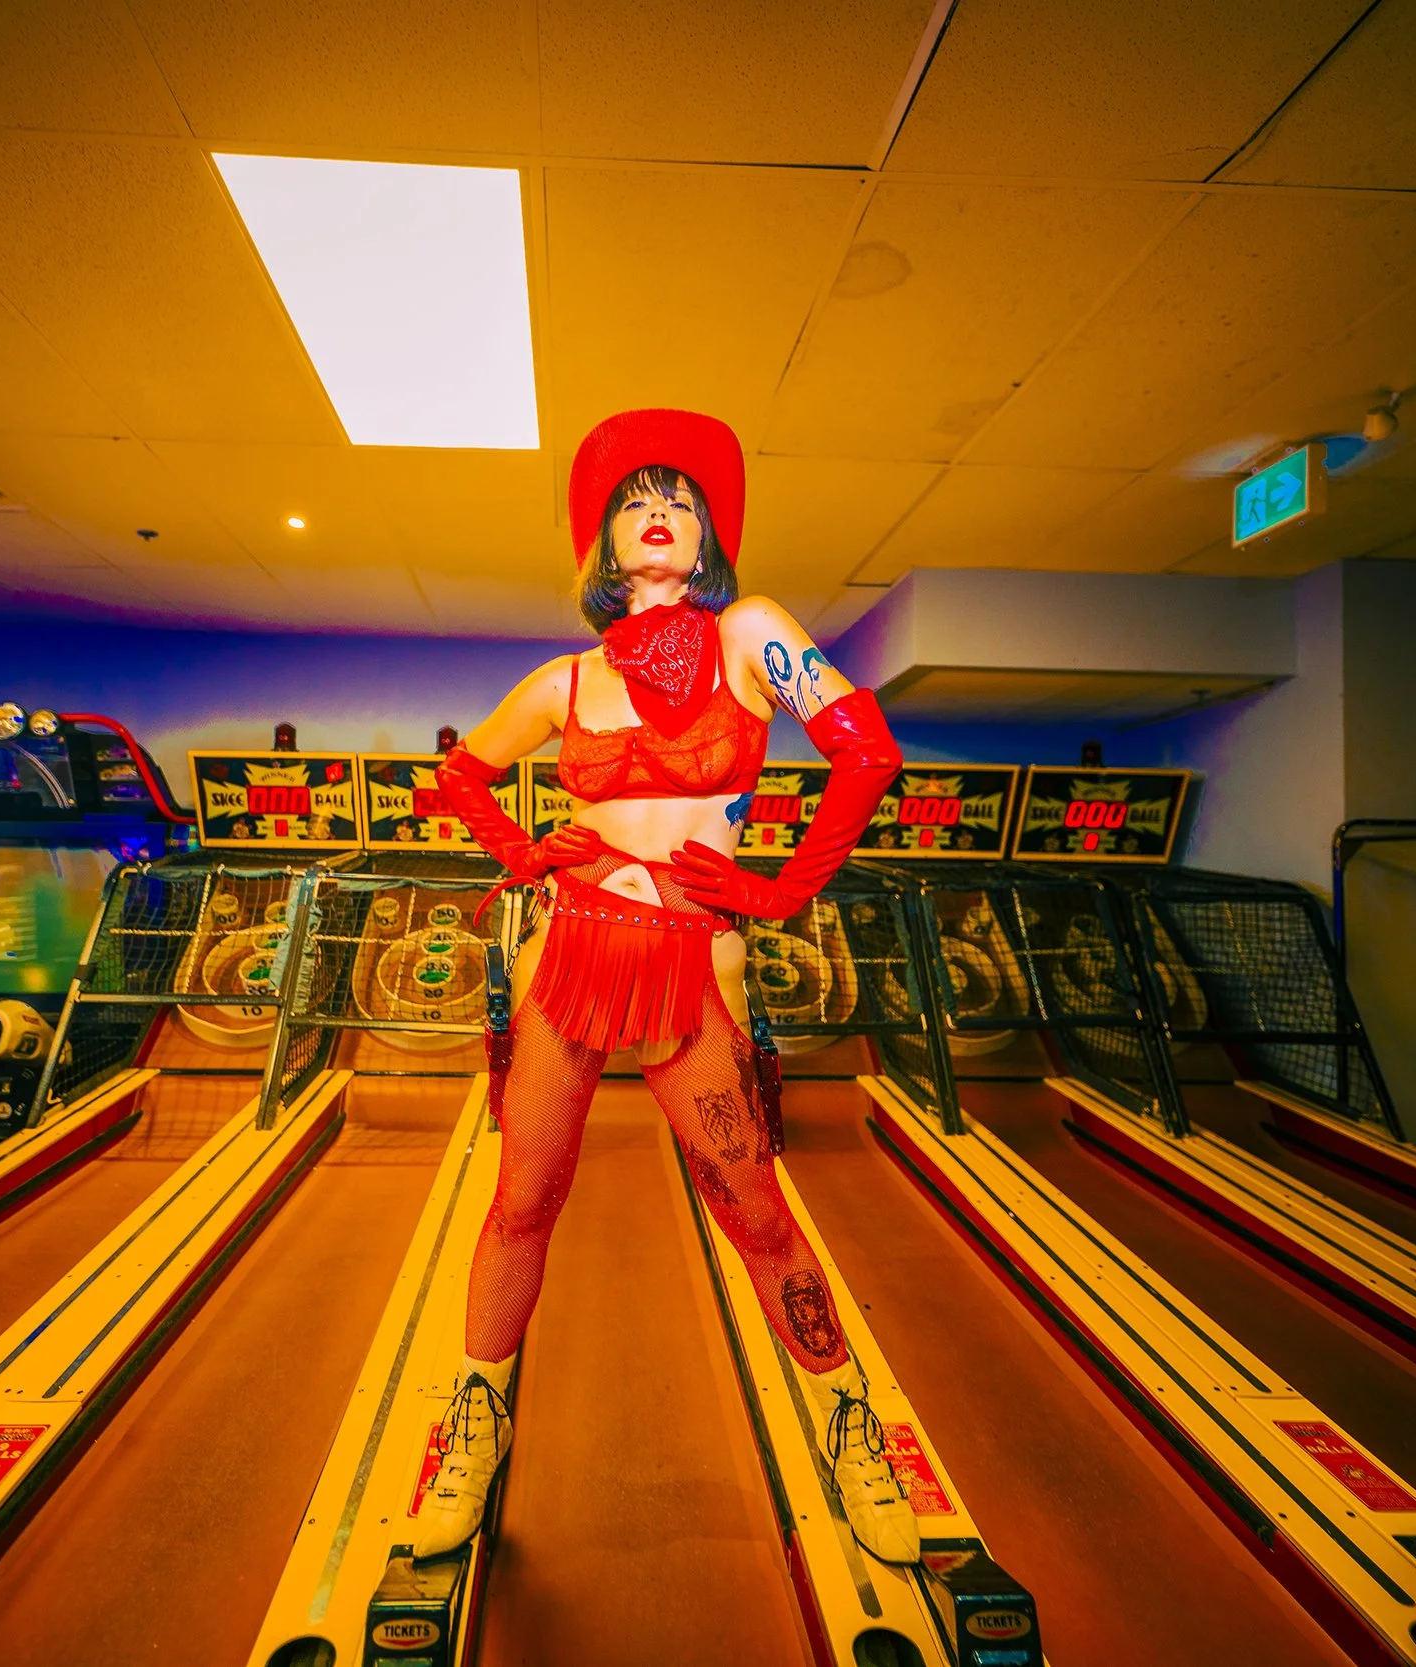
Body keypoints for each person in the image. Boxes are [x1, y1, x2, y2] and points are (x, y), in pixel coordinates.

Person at [422, 408, 914, 1564]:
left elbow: (868, 749)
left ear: (705, 539)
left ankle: (852, 1421)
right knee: (522, 1201)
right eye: (636, 497)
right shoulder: (564, 678)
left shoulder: (750, 630)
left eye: (682, 498)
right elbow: (459, 774)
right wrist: (523, 849)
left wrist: (789, 885)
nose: (660, 511)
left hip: (694, 954)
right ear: (604, 539)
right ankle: (475, 1420)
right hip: (568, 946)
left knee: (754, 1210)